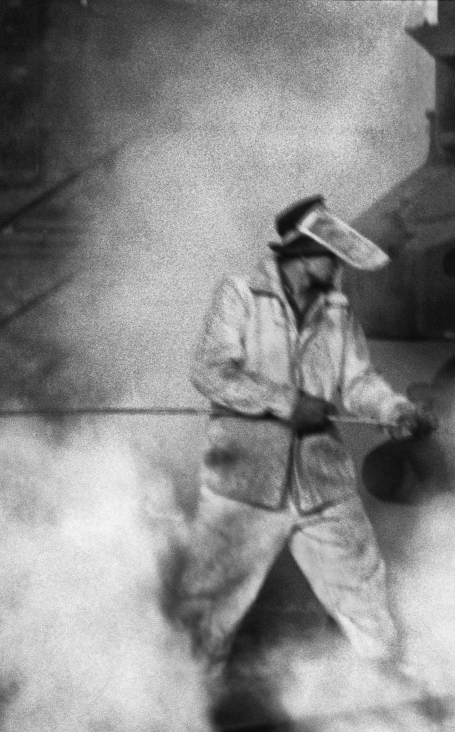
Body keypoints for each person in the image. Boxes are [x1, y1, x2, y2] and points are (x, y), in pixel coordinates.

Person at [180, 195, 435, 685]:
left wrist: (395, 410)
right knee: (209, 613)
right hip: (245, 488)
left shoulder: (337, 312)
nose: (337, 264)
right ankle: (181, 719)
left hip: (321, 485)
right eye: (329, 253)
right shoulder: (240, 296)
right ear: (299, 253)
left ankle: (383, 705)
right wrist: (285, 400)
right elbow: (211, 371)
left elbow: (357, 382)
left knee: (363, 595)